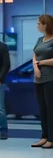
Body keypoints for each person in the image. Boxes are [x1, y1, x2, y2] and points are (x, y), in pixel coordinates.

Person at [32, 14, 53, 149]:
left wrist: (41, 62)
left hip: (50, 78)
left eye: (39, 23)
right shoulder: (40, 39)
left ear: (46, 24)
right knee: (42, 109)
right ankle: (44, 136)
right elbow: (34, 54)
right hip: (38, 79)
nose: (37, 26)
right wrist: (35, 66)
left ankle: (51, 138)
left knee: (50, 109)